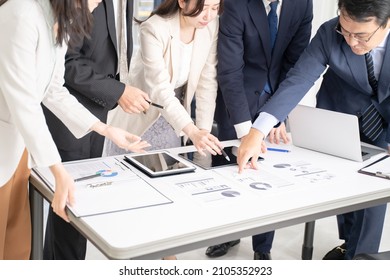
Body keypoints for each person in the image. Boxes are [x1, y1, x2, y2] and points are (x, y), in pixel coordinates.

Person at [237, 0, 390, 260]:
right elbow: (299, 79)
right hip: (341, 109)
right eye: (346, 32)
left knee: (374, 192)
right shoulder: (330, 32)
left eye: (361, 36)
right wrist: (257, 130)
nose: (352, 43)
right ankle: (347, 243)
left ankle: (361, 259)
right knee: (343, 179)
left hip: (384, 117)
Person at [0, 0, 149, 260]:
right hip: (6, 140)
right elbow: (24, 104)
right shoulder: (21, 12)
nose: (97, 7)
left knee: (17, 248)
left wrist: (105, 129)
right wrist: (59, 171)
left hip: (17, 149)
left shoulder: (60, 22)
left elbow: (54, 90)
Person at [206, 0, 313, 260]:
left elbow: (295, 65)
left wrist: (279, 114)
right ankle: (227, 234)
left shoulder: (302, 4)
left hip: (274, 98)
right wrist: (245, 131)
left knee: (265, 176)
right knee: (228, 168)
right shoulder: (235, 4)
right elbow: (230, 70)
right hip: (236, 100)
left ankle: (262, 248)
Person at [106, 0, 225, 160]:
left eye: (215, 8)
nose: (209, 15)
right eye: (203, 8)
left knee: (169, 174)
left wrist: (203, 130)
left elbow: (207, 81)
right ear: (182, 2)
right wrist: (192, 130)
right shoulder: (154, 28)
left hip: (173, 118)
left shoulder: (210, 26)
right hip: (141, 112)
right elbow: (160, 89)